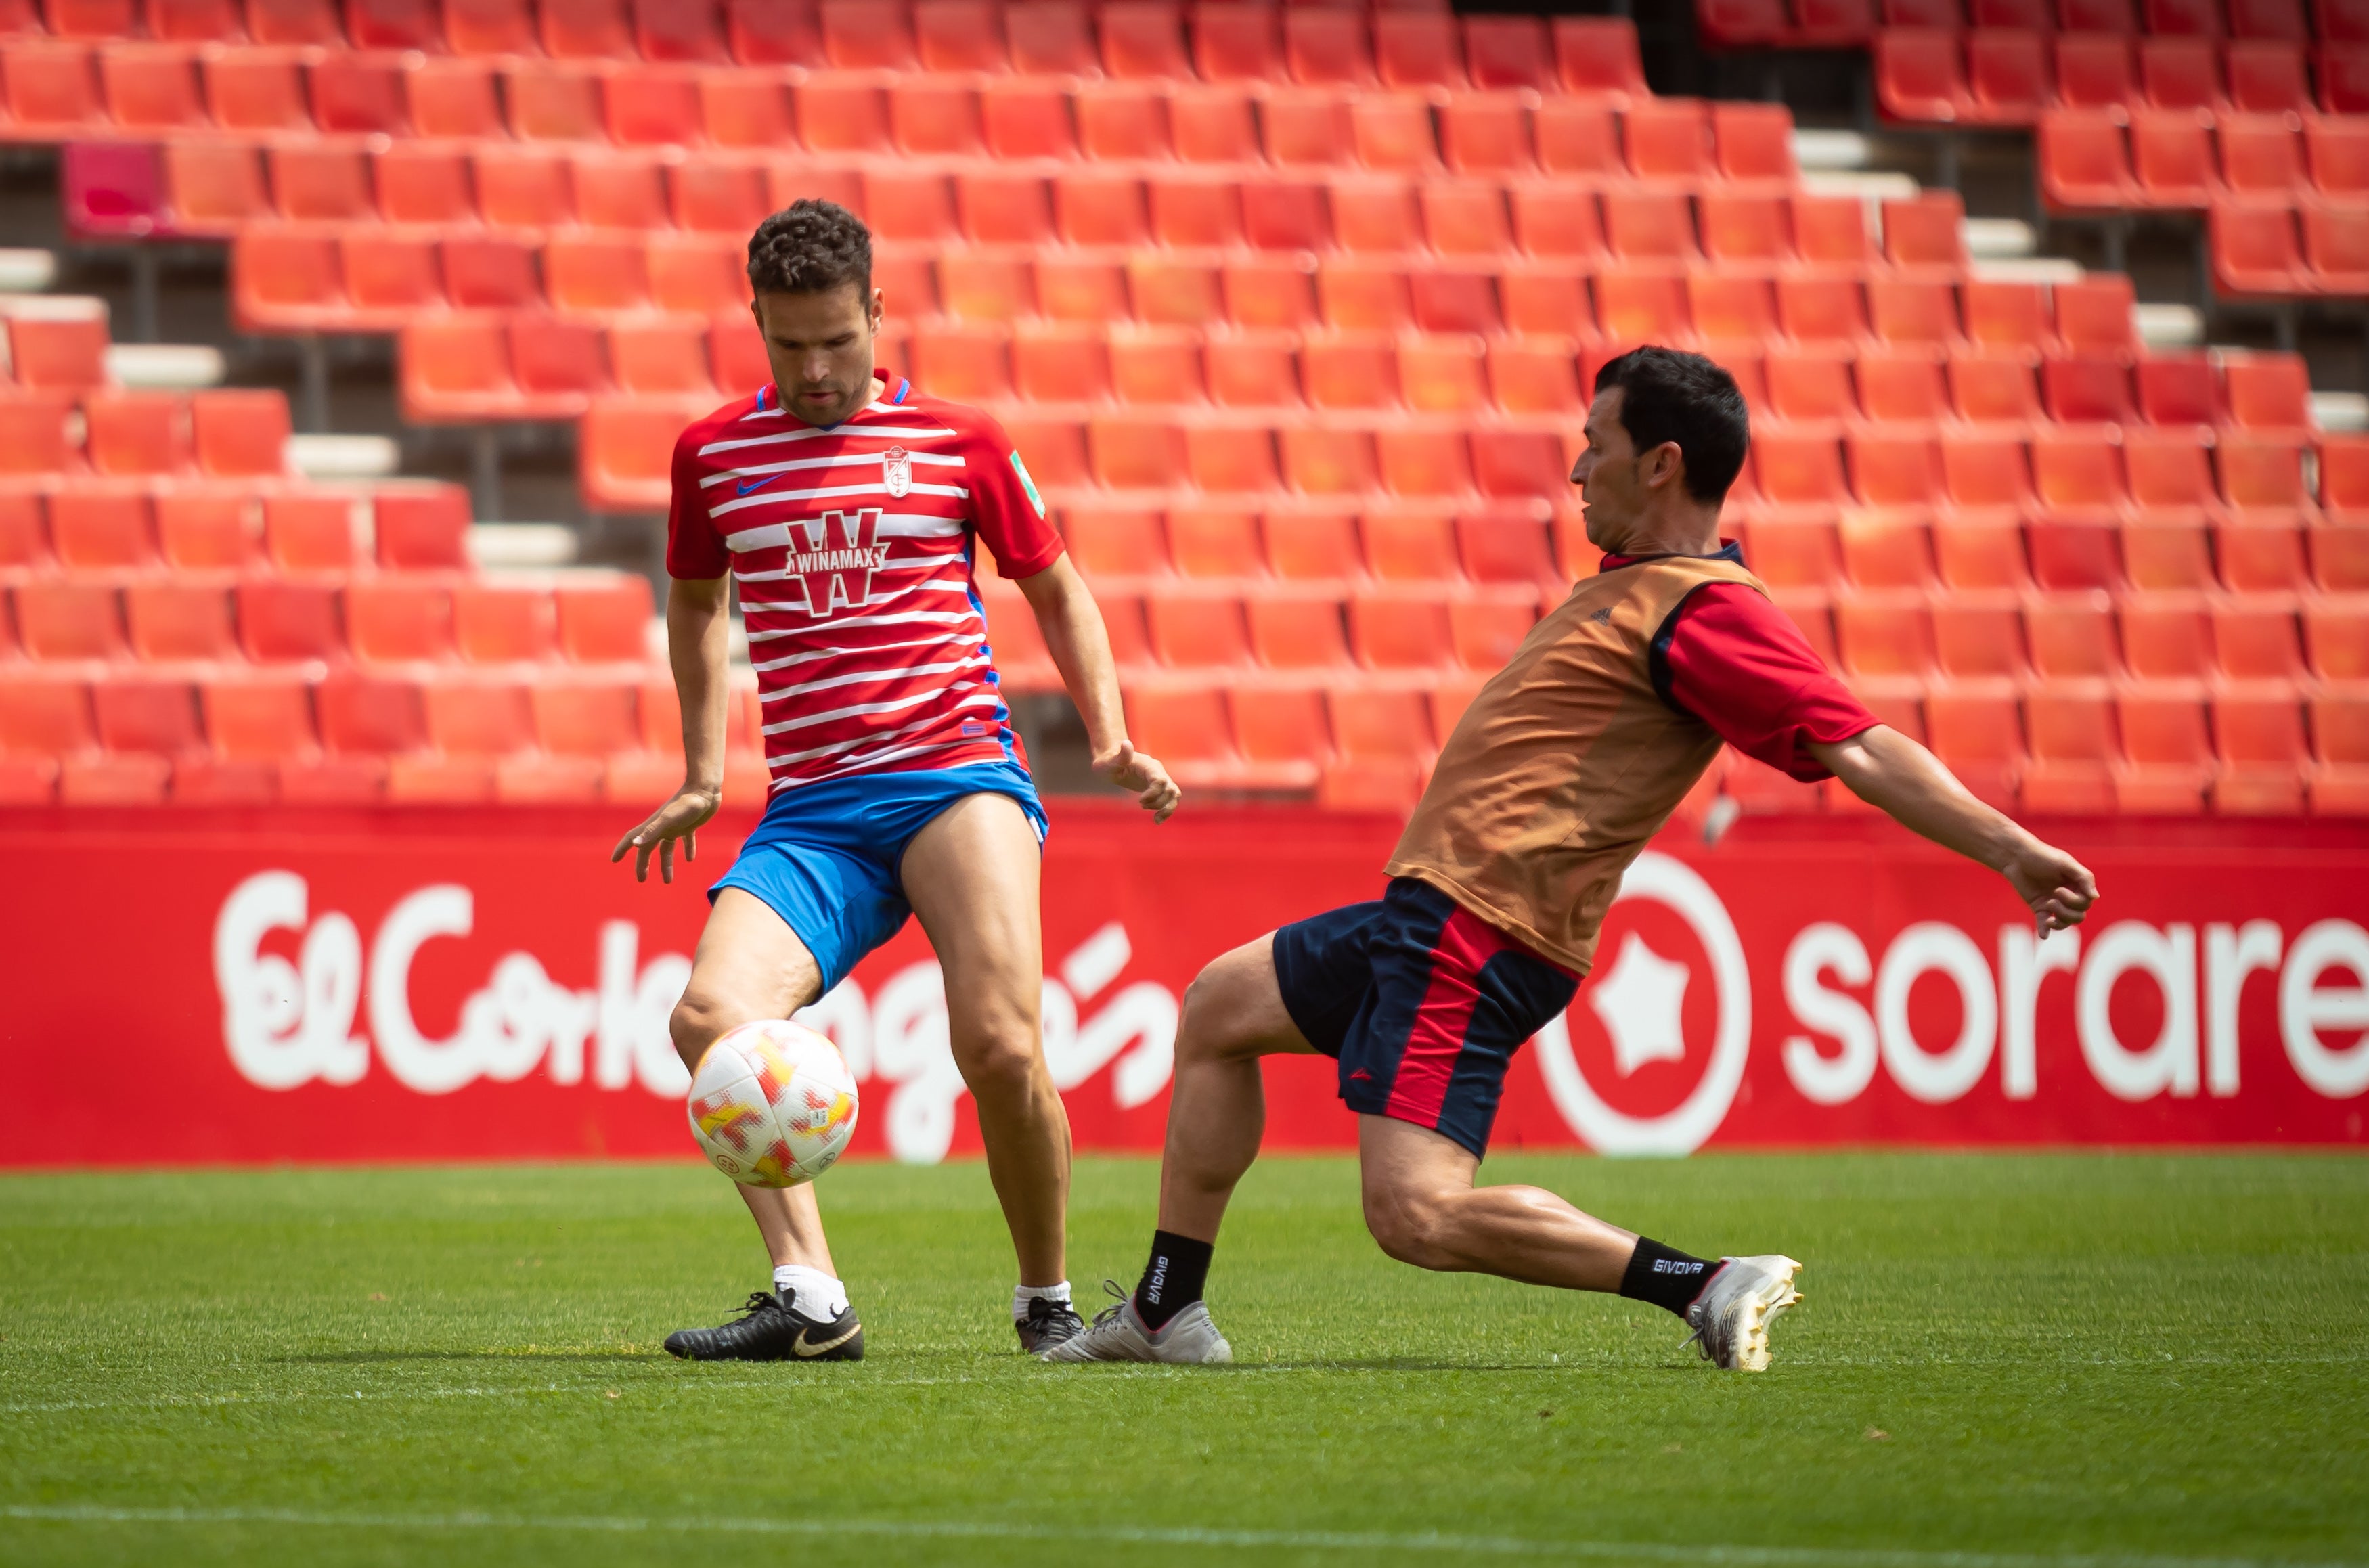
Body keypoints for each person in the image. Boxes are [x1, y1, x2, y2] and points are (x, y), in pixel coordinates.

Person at [1046, 346, 2098, 1372]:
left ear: (1663, 463)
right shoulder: (1643, 591)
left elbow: (1859, 745)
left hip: (1475, 928)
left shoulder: (1708, 609)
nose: (1575, 468)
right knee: (1221, 1006)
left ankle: (1704, 1283)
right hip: (1439, 911)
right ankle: (1164, 1306)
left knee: (1414, 1211)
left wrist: (2009, 849)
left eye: (1595, 444)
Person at [613, 200, 1180, 1363]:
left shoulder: (961, 441)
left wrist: (1109, 734)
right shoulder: (710, 453)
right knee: (708, 1020)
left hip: (954, 776)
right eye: (789, 344)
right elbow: (692, 600)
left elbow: (1056, 587)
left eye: (837, 339)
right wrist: (701, 770)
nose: (817, 369)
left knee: (1002, 1044)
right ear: (756, 324)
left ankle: (1048, 1301)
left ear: (878, 312)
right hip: (814, 808)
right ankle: (810, 1294)